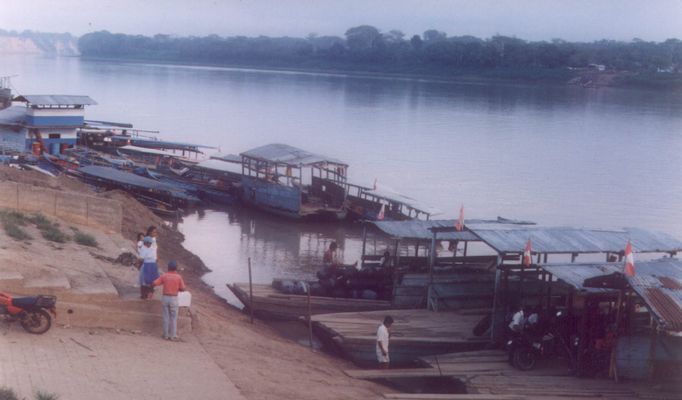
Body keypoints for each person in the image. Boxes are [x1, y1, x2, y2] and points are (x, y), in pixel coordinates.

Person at [152, 260, 186, 341]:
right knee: (173, 317)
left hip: (165, 298)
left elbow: (154, 283)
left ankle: (165, 335)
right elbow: (183, 289)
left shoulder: (164, 276)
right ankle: (173, 335)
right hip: (174, 298)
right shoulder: (178, 277)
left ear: (168, 268)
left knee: (166, 317)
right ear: (176, 268)